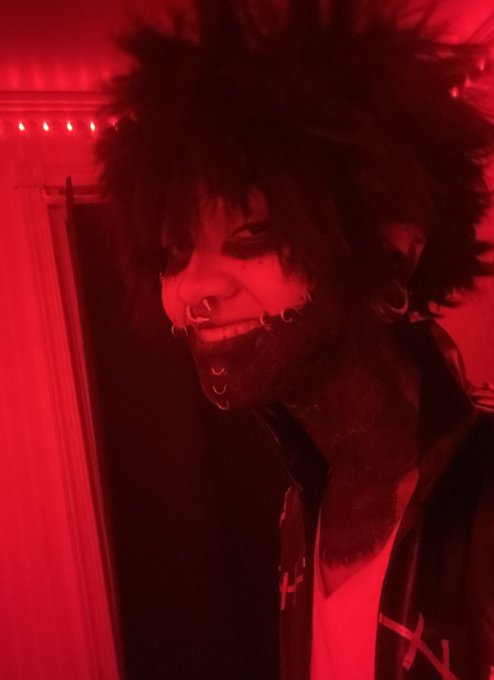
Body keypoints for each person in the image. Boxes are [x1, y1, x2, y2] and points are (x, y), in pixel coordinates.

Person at [97, 1, 494, 678]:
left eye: (252, 233)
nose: (192, 289)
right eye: (173, 252)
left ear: (390, 255)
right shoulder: (302, 508)